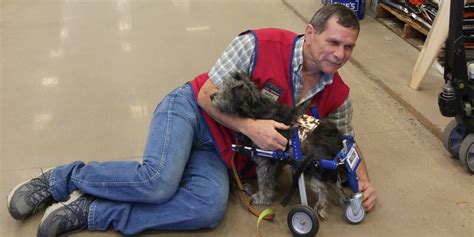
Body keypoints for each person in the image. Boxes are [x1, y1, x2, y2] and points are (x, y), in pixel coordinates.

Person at [7, 4, 376, 236]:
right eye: (332, 42)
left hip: (224, 152)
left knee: (207, 209)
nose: (339, 54)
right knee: (157, 181)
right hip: (192, 112)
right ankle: (60, 179)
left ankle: (92, 210)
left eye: (348, 47)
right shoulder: (259, 43)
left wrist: (362, 183)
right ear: (310, 32)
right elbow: (207, 94)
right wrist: (251, 128)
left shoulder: (337, 92)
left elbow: (346, 142)